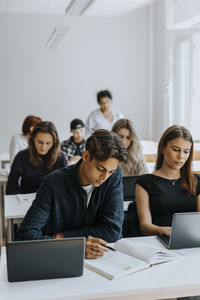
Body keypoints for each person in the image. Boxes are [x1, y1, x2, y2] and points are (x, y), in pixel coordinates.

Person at [15, 129, 127, 259]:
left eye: (111, 171)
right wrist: (75, 246)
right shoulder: (52, 183)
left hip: (100, 260)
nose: (104, 177)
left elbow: (113, 232)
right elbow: (24, 236)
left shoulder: (113, 175)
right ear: (85, 156)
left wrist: (63, 237)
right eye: (100, 168)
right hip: (59, 259)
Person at [136, 125, 200, 237]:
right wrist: (164, 231)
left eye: (186, 151)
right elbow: (145, 226)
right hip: (158, 240)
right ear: (163, 149)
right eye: (176, 150)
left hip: (191, 241)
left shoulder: (196, 181)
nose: (181, 156)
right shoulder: (144, 183)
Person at [6, 121, 67, 195]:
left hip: (52, 200)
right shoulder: (21, 157)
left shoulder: (60, 157)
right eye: (40, 142)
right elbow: (11, 188)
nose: (43, 148)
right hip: (26, 200)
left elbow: (65, 186)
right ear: (33, 139)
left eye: (48, 143)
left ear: (54, 142)